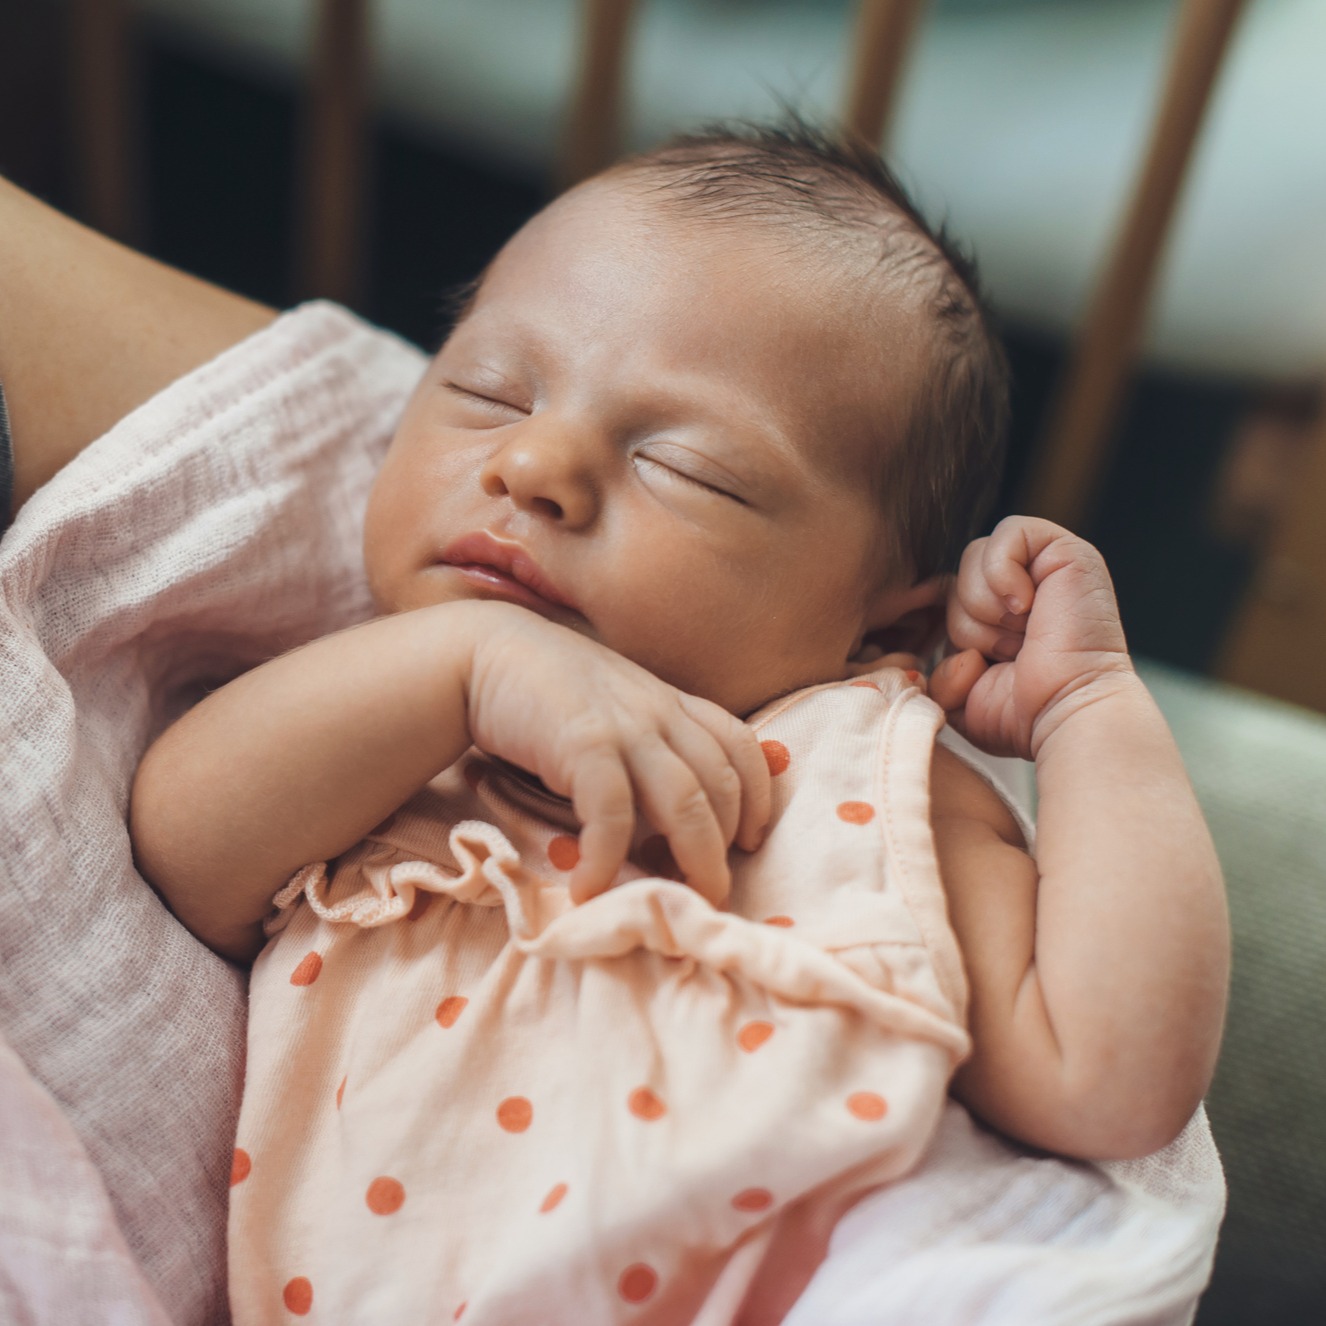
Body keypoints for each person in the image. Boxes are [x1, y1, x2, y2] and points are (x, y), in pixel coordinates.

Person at [126, 124, 1229, 1324]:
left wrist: (1088, 712)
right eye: (489, 391)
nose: (536, 462)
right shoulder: (386, 725)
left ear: (883, 625)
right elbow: (184, 849)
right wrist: (465, 666)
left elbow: (1108, 1080)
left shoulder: (851, 771)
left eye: (688, 466)